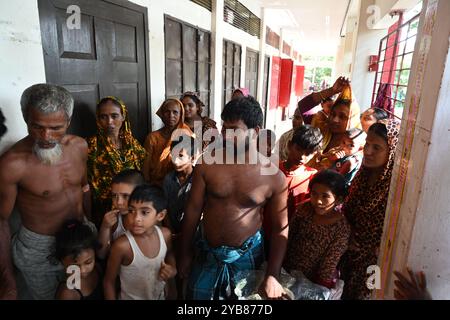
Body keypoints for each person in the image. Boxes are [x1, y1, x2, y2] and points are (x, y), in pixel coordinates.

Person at [178, 96, 289, 300]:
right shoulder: (207, 165)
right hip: (206, 253)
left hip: (248, 256)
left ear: (255, 131)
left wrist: (272, 274)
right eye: (224, 129)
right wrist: (184, 253)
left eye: (234, 130)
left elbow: (280, 228)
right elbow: (193, 210)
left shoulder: (274, 178)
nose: (226, 137)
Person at [0, 84, 90, 300]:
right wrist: (8, 280)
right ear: (25, 120)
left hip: (78, 241)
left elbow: (84, 188)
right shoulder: (13, 164)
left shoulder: (79, 146)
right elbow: (0, 221)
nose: (46, 136)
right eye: (37, 126)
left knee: (73, 292)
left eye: (56, 128)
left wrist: (90, 227)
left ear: (68, 121)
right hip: (40, 250)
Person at [339, 119, 400, 299]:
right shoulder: (361, 176)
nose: (368, 151)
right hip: (349, 256)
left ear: (391, 151)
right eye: (367, 144)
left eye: (377, 147)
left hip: (376, 265)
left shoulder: (394, 188)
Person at [104, 185, 177, 300]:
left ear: (160, 215)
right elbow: (109, 282)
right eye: (131, 211)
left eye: (144, 212)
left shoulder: (165, 235)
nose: (136, 218)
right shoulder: (122, 246)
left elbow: (169, 254)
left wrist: (172, 269)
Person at [283, 170, 350, 289]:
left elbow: (329, 264)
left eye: (325, 196)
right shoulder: (304, 210)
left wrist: (317, 289)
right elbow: (288, 237)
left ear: (339, 200)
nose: (318, 201)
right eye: (314, 194)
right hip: (286, 270)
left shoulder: (341, 228)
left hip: (311, 281)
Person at [87, 96, 146, 227]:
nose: (109, 122)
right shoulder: (92, 146)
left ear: (123, 117)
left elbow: (142, 171)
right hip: (106, 211)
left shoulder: (131, 143)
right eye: (103, 117)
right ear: (98, 119)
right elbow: (88, 184)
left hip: (134, 205)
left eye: (114, 116)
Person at [263, 125, 321, 256]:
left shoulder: (313, 177)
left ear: (315, 154)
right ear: (289, 145)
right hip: (264, 234)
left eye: (308, 153)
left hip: (295, 241)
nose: (301, 157)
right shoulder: (272, 170)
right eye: (298, 149)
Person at [307, 85, 361, 171]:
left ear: (353, 120)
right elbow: (304, 105)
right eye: (333, 114)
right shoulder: (320, 128)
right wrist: (332, 90)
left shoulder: (355, 147)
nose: (335, 120)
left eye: (342, 117)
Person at [143, 99, 193, 187]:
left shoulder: (186, 134)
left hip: (178, 183)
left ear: (181, 114)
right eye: (167, 112)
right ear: (162, 114)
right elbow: (146, 165)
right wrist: (146, 184)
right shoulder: (152, 137)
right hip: (154, 184)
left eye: (175, 112)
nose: (171, 115)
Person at [97, 169, 145, 260]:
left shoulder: (150, 221)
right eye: (114, 196)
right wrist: (105, 227)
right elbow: (101, 254)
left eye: (125, 196)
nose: (118, 202)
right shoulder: (114, 221)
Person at [54, 219, 103, 300]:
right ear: (62, 261)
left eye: (88, 262)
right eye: (74, 266)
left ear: (94, 253)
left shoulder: (98, 268)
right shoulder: (68, 294)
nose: (83, 270)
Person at [162, 134, 199, 236]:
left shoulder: (198, 180)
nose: (175, 160)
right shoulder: (168, 179)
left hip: (194, 233)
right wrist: (171, 232)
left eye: (180, 155)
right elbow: (164, 209)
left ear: (192, 158)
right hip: (172, 230)